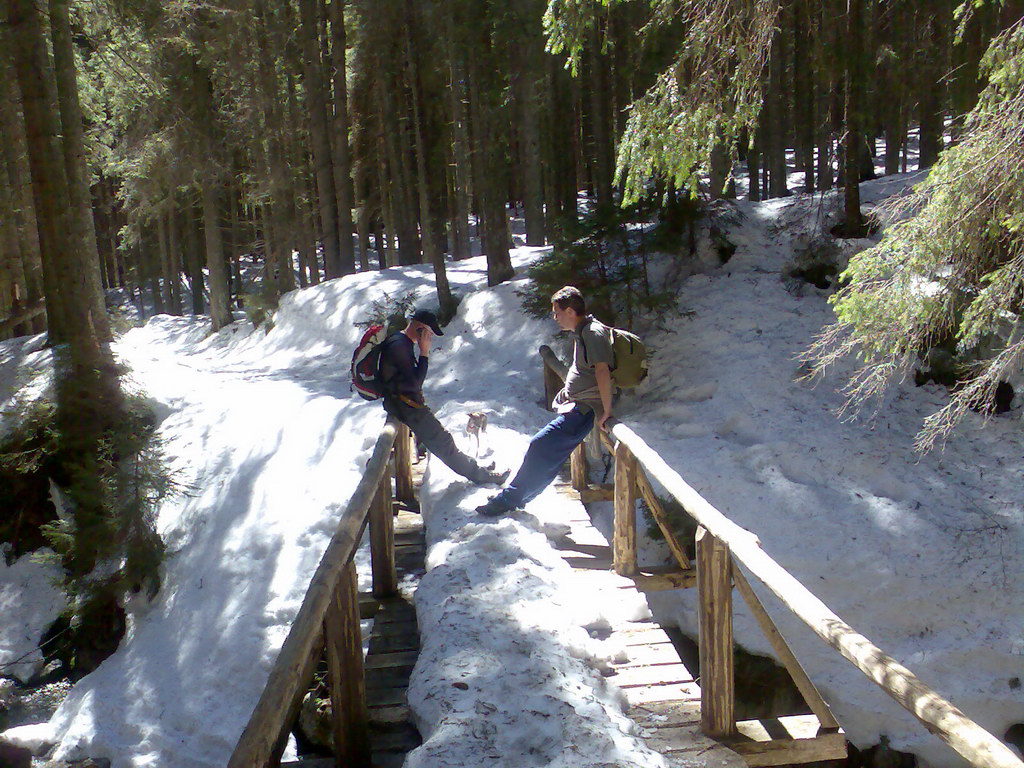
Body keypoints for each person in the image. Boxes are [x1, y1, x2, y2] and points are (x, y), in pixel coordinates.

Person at [476, 286, 614, 517]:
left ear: (570, 311)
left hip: (586, 409)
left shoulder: (592, 333)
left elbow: (602, 371)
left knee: (540, 446)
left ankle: (509, 499)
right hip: (580, 405)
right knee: (547, 452)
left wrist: (606, 411)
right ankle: (516, 498)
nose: (554, 318)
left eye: (557, 312)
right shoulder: (584, 331)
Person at [379, 308, 508, 486]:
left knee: (443, 441)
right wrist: (424, 353)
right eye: (429, 333)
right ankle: (482, 476)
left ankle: (479, 470)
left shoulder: (401, 342)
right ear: (420, 329)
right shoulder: (400, 346)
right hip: (406, 407)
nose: (429, 338)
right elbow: (414, 383)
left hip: (405, 405)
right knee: (444, 443)